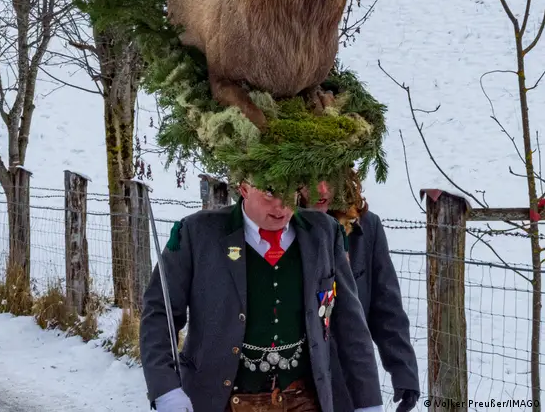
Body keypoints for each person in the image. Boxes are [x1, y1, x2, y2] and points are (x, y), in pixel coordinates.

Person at [140, 181, 383, 412]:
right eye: (269, 192)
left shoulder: (323, 231)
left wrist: (367, 400)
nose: (282, 205)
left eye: (291, 191)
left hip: (304, 399)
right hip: (218, 400)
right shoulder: (198, 233)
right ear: (244, 187)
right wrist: (166, 389)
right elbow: (159, 313)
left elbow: (351, 323)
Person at [298, 176, 420, 412]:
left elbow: (386, 308)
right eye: (309, 179)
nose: (321, 189)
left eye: (329, 178)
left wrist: (404, 372)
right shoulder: (279, 230)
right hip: (298, 385)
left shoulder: (365, 227)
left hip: (350, 380)